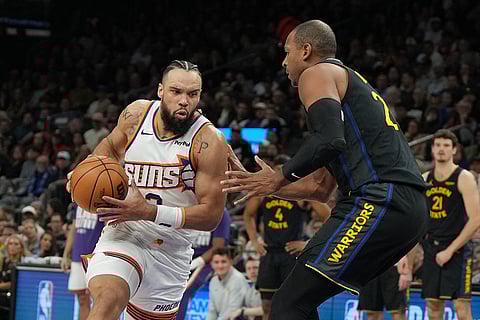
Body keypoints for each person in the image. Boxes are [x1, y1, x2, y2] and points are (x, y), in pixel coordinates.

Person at [221, 20, 428, 320]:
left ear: (306, 51)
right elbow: (318, 188)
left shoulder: (316, 73)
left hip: (381, 200)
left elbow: (329, 140)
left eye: (287, 51)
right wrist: (263, 184)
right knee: (299, 301)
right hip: (404, 209)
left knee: (287, 305)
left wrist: (279, 174)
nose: (283, 61)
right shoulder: (348, 92)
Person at [66, 60, 228, 320]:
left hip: (171, 251)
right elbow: (107, 149)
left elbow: (211, 216)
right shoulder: (136, 115)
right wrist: (86, 170)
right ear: (161, 90)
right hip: (124, 236)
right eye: (176, 92)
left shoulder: (209, 141)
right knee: (107, 301)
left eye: (192, 94)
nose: (184, 100)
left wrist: (148, 211)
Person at [243, 154, 314, 320]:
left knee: (292, 304)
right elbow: (248, 215)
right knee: (267, 304)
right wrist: (254, 240)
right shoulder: (264, 192)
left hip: (291, 254)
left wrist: (308, 243)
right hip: (269, 253)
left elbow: (328, 215)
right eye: (277, 172)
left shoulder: (301, 193)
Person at [422, 129, 480, 320]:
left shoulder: (464, 177)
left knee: (461, 308)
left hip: (458, 249)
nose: (441, 149)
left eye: (446, 146)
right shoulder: (425, 179)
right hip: (431, 247)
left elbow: (476, 219)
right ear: (432, 149)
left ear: (454, 150)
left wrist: (450, 250)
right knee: (432, 306)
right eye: (438, 145)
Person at [176, 208, 231, 319]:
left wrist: (198, 262)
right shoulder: (186, 206)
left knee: (184, 289)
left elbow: (218, 247)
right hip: (182, 257)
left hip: (207, 262)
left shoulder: (221, 213)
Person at [61, 205, 104, 320]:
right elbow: (74, 229)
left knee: (98, 298)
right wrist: (66, 254)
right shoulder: (77, 203)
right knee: (82, 298)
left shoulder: (102, 201)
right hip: (77, 255)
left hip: (96, 256)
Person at [207, 248, 249, 320]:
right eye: (216, 262)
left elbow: (233, 310)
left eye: (223, 262)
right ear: (212, 264)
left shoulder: (237, 279)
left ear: (230, 262)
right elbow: (212, 310)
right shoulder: (213, 281)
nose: (220, 266)